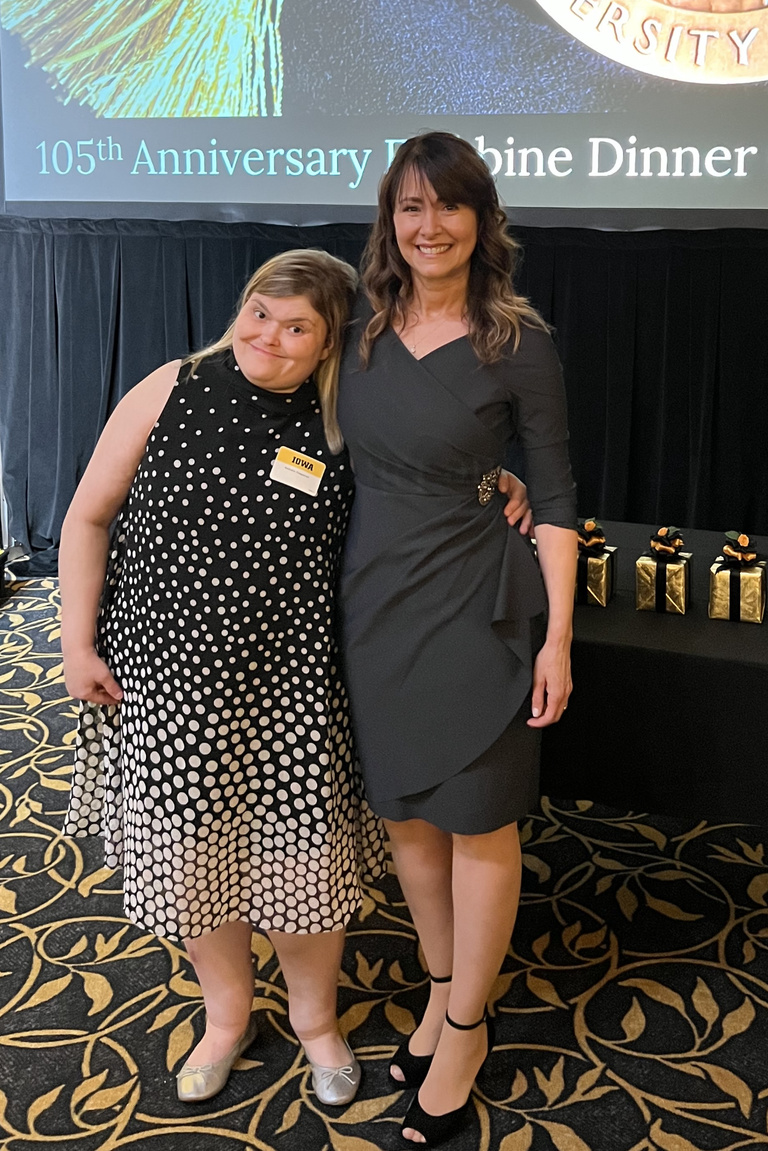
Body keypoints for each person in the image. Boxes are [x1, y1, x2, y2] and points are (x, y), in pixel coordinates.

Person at [58, 249, 387, 1106]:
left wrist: (493, 479)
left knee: (300, 864)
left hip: (295, 689)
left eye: (297, 326)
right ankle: (228, 1017)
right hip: (169, 687)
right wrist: (76, 643)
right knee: (195, 858)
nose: (269, 336)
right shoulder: (171, 386)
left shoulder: (349, 418)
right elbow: (87, 517)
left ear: (329, 344)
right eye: (259, 311)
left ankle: (318, 1023)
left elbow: (427, 486)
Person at [336, 132, 578, 1146]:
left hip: (481, 603)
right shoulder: (356, 325)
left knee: (479, 817)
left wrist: (559, 638)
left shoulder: (518, 337)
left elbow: (558, 493)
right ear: (389, 220)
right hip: (375, 598)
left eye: (447, 207)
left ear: (481, 218)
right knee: (407, 819)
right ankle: (440, 990)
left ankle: (469, 1026)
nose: (427, 227)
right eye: (408, 207)